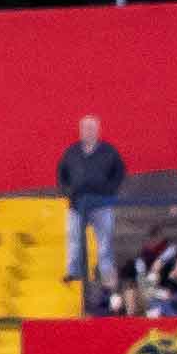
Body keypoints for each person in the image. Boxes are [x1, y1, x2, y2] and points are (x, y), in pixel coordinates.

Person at [56, 115, 129, 297]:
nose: (87, 132)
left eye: (91, 129)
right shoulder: (71, 152)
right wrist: (68, 191)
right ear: (80, 131)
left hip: (101, 206)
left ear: (98, 130)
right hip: (76, 205)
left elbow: (119, 172)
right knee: (74, 240)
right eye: (84, 129)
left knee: (104, 242)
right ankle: (74, 274)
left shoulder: (109, 151)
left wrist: (109, 191)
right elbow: (61, 173)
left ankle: (106, 275)